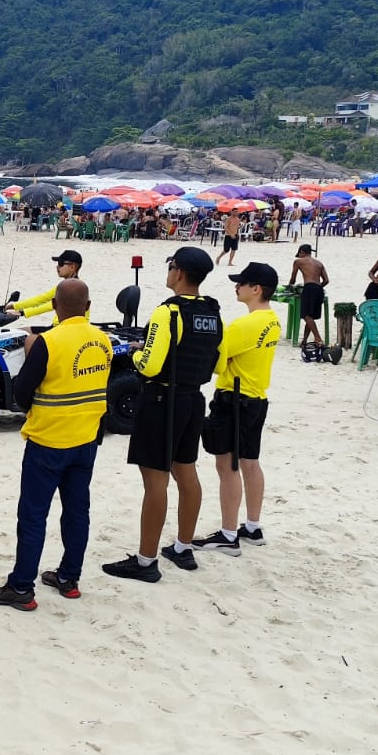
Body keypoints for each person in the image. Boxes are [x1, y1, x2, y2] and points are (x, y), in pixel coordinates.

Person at [0, 280, 112, 607]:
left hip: (48, 440)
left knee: (33, 515)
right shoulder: (103, 341)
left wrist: (27, 355)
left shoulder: (46, 343)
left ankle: (22, 587)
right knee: (77, 511)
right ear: (89, 305)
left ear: (55, 307)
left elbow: (21, 394)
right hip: (87, 440)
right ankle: (69, 577)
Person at [103, 246, 222, 582]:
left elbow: (151, 364)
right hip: (193, 398)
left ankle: (145, 561)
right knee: (186, 472)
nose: (169, 271)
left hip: (161, 400)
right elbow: (216, 357)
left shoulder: (167, 312)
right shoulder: (212, 311)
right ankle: (183, 547)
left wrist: (135, 355)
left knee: (155, 481)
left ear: (179, 272)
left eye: (171, 266)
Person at [193, 262, 281, 555]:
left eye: (242, 283)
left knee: (227, 465)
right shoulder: (272, 320)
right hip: (256, 397)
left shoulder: (244, 324)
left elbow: (217, 361)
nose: (237, 286)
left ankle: (228, 534)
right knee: (250, 462)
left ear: (256, 289)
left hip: (234, 399)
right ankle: (252, 527)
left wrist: (223, 362)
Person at [9, 250, 82, 320]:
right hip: (60, 326)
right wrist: (14, 306)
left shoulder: (73, 288)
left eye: (61, 263)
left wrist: (22, 312)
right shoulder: (64, 285)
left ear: (72, 267)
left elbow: (51, 305)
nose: (57, 267)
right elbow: (40, 299)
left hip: (65, 328)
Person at [289, 245, 329, 348]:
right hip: (319, 289)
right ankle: (304, 341)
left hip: (309, 288)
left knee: (306, 315)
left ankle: (318, 338)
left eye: (300, 254)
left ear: (302, 252)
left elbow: (293, 278)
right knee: (310, 316)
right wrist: (318, 287)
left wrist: (290, 287)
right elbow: (326, 280)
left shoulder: (299, 261)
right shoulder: (319, 263)